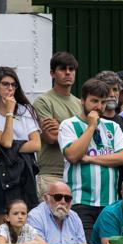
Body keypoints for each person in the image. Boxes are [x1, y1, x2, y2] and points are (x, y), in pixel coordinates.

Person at [58, 78, 123, 240]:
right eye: (94, 101)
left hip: (110, 203)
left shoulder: (113, 126)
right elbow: (72, 155)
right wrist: (91, 127)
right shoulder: (68, 125)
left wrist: (90, 159)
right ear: (83, 101)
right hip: (80, 201)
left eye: (103, 102)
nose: (99, 106)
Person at [0, 67, 41, 226]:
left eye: (14, 85)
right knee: (3, 227)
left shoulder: (25, 109)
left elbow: (36, 144)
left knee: (24, 224)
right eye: (5, 84)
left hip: (23, 168)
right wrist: (9, 113)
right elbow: (6, 140)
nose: (10, 89)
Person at [33, 52, 82, 198]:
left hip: (76, 173)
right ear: (52, 73)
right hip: (51, 173)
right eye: (62, 69)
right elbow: (52, 138)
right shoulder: (43, 101)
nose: (68, 73)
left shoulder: (80, 103)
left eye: (71, 69)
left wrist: (60, 125)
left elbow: (89, 137)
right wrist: (79, 133)